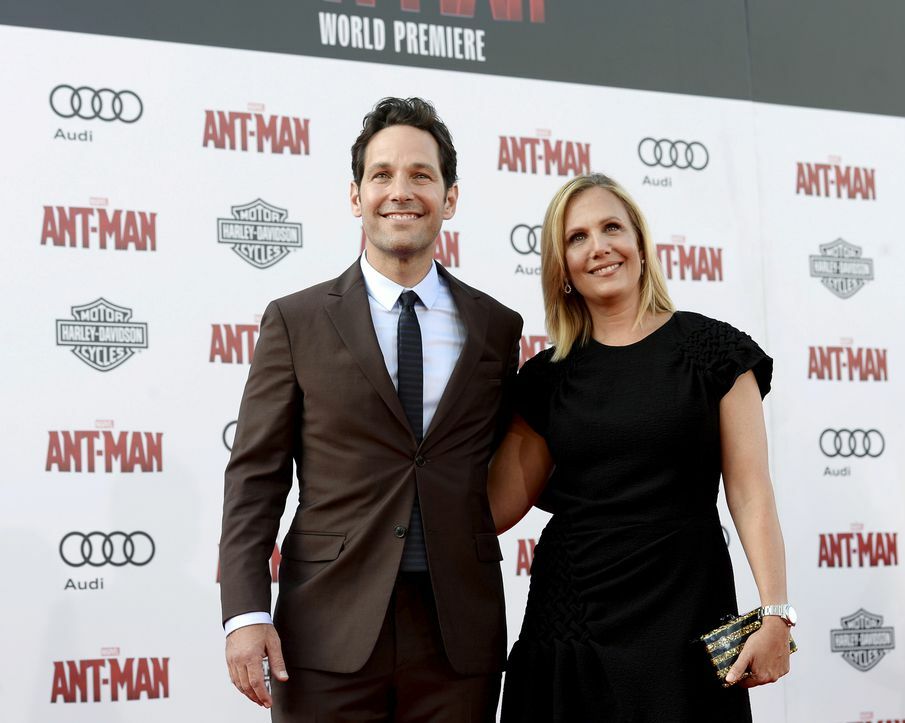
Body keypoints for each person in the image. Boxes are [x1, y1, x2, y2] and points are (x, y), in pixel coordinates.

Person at [219, 97, 522, 722]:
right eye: (382, 175)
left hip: (457, 637)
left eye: (421, 175)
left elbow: (499, 463)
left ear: (450, 197)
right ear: (356, 196)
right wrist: (245, 613)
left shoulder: (496, 327)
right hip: (324, 629)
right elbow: (255, 478)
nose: (400, 191)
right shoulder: (296, 321)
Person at [488, 173, 793, 721]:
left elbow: (751, 492)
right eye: (577, 237)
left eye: (612, 228)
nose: (599, 246)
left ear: (641, 244)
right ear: (562, 268)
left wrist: (775, 613)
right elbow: (496, 508)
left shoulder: (714, 352)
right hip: (573, 619)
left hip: (689, 609)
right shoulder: (545, 379)